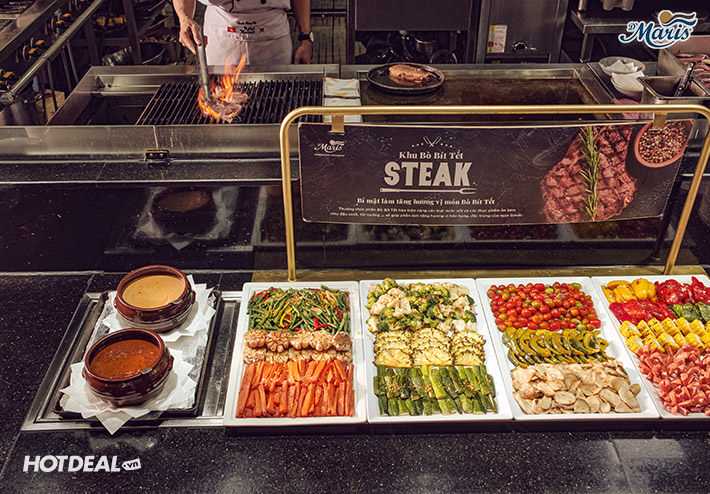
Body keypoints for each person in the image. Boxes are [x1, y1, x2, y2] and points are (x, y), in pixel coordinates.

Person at [174, 0, 312, 67]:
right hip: (221, 32)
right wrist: (184, 17)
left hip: (272, 34)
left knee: (277, 97)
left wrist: (305, 37)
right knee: (220, 99)